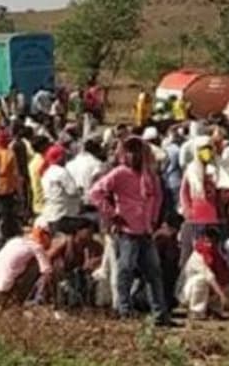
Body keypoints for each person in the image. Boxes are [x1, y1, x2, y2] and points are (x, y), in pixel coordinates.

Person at [88, 137, 174, 326]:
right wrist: (112, 213)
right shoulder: (119, 173)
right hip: (126, 230)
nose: (132, 155)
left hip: (146, 230)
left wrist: (153, 219)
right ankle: (124, 310)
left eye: (136, 151)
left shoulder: (150, 176)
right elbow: (95, 193)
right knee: (125, 270)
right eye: (129, 151)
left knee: (153, 273)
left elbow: (157, 198)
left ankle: (160, 314)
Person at [0, 221, 54, 307]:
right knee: (37, 265)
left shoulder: (15, 241)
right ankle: (27, 298)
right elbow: (47, 271)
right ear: (44, 236)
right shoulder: (36, 247)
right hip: (1, 294)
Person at [179, 228, 229, 320]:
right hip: (188, 291)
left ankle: (214, 309)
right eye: (207, 241)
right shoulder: (197, 255)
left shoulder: (217, 255)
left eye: (213, 242)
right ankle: (196, 311)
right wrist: (223, 296)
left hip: (210, 289)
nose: (210, 244)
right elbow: (210, 277)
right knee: (201, 280)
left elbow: (226, 274)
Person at [0, 130, 21, 242]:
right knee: (7, 212)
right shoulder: (10, 153)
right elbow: (16, 173)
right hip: (8, 187)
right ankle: (6, 233)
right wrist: (19, 190)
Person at [38, 143, 81, 227]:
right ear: (60, 158)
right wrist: (80, 190)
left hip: (51, 213)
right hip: (64, 214)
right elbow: (72, 191)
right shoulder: (62, 172)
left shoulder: (47, 172)